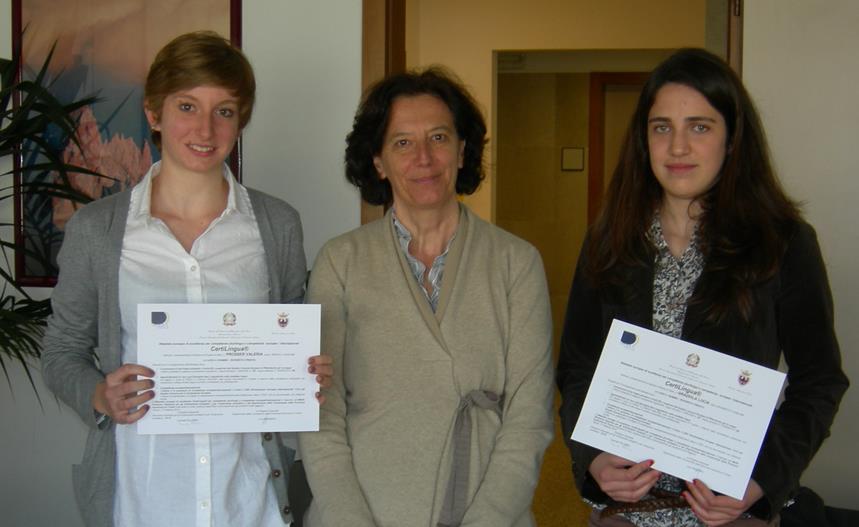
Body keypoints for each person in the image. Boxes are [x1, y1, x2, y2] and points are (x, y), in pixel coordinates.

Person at [41, 31, 332, 527]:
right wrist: (99, 394)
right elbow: (61, 350)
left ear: (240, 121)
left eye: (225, 111)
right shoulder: (97, 230)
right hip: (141, 501)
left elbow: (289, 338)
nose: (206, 128)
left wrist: (306, 372)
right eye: (186, 106)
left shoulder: (277, 224)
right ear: (154, 114)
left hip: (249, 502)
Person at [557, 48, 848, 527]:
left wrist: (762, 481)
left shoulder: (783, 243)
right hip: (627, 511)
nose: (677, 147)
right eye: (661, 127)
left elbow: (820, 381)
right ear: (643, 139)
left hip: (730, 511)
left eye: (699, 127)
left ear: (732, 140)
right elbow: (577, 366)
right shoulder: (608, 242)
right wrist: (591, 456)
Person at [297, 67, 554, 527]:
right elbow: (320, 416)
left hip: (488, 511)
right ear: (378, 161)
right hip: (361, 512)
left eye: (438, 137)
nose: (424, 157)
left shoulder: (516, 262)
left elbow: (529, 418)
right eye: (402, 142)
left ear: (462, 150)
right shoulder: (340, 261)